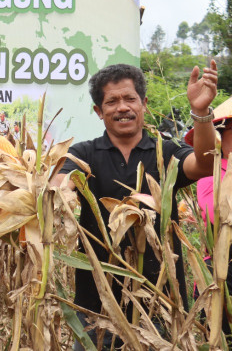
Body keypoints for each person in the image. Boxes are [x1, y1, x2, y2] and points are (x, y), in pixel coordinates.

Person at [56, 62, 218, 350]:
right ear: (98, 111)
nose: (122, 107)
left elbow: (204, 163)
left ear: (143, 104)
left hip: (162, 303)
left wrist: (202, 113)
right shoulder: (83, 153)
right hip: (96, 305)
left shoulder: (165, 151)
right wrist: (58, 191)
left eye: (130, 99)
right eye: (112, 101)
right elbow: (61, 183)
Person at [189, 96, 232, 334]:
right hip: (220, 271)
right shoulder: (211, 171)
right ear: (220, 135)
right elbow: (215, 214)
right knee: (218, 336)